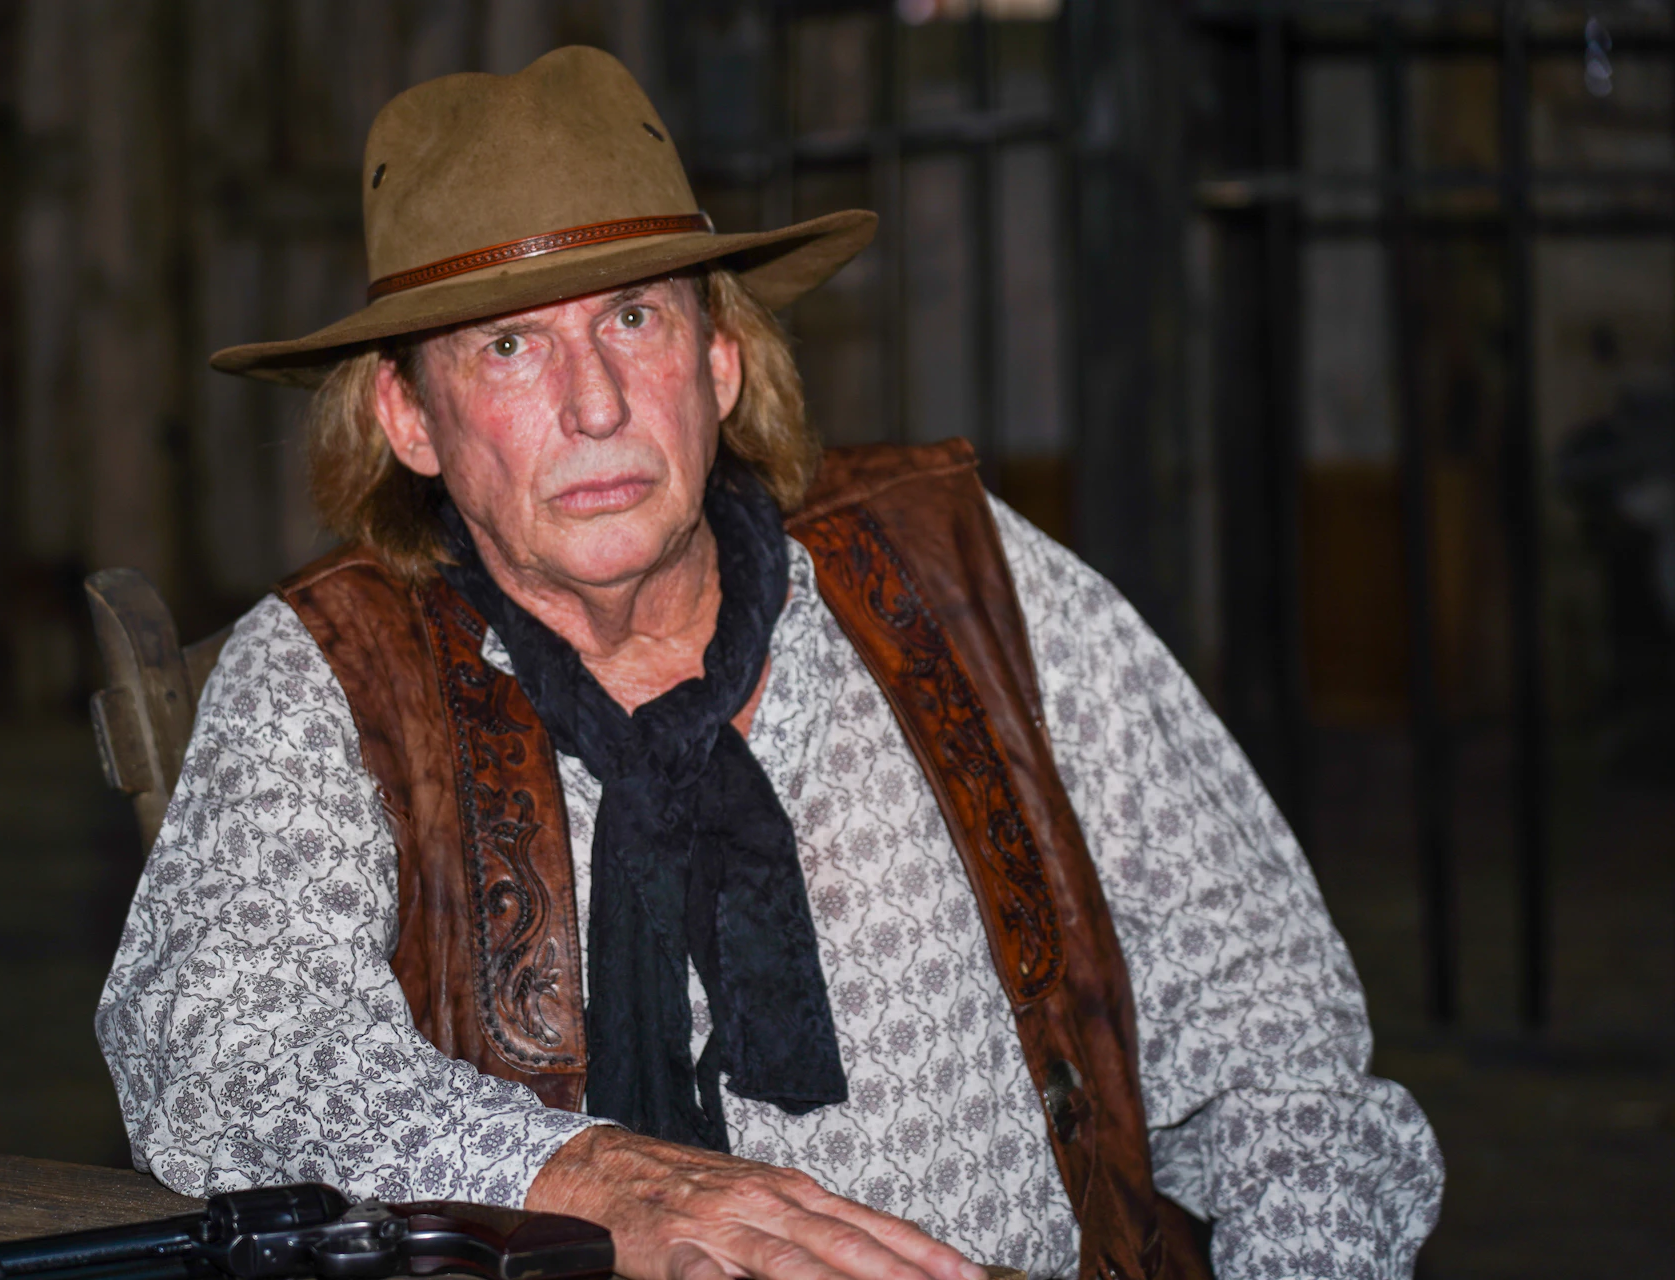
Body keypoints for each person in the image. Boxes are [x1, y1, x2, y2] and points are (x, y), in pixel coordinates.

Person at [96, 46, 1441, 1280]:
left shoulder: (964, 582)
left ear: (721, 360)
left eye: (635, 319)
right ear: (409, 419)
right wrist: (591, 1179)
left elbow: (1279, 1052)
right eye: (510, 345)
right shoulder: (332, 676)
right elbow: (218, 1053)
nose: (595, 402)